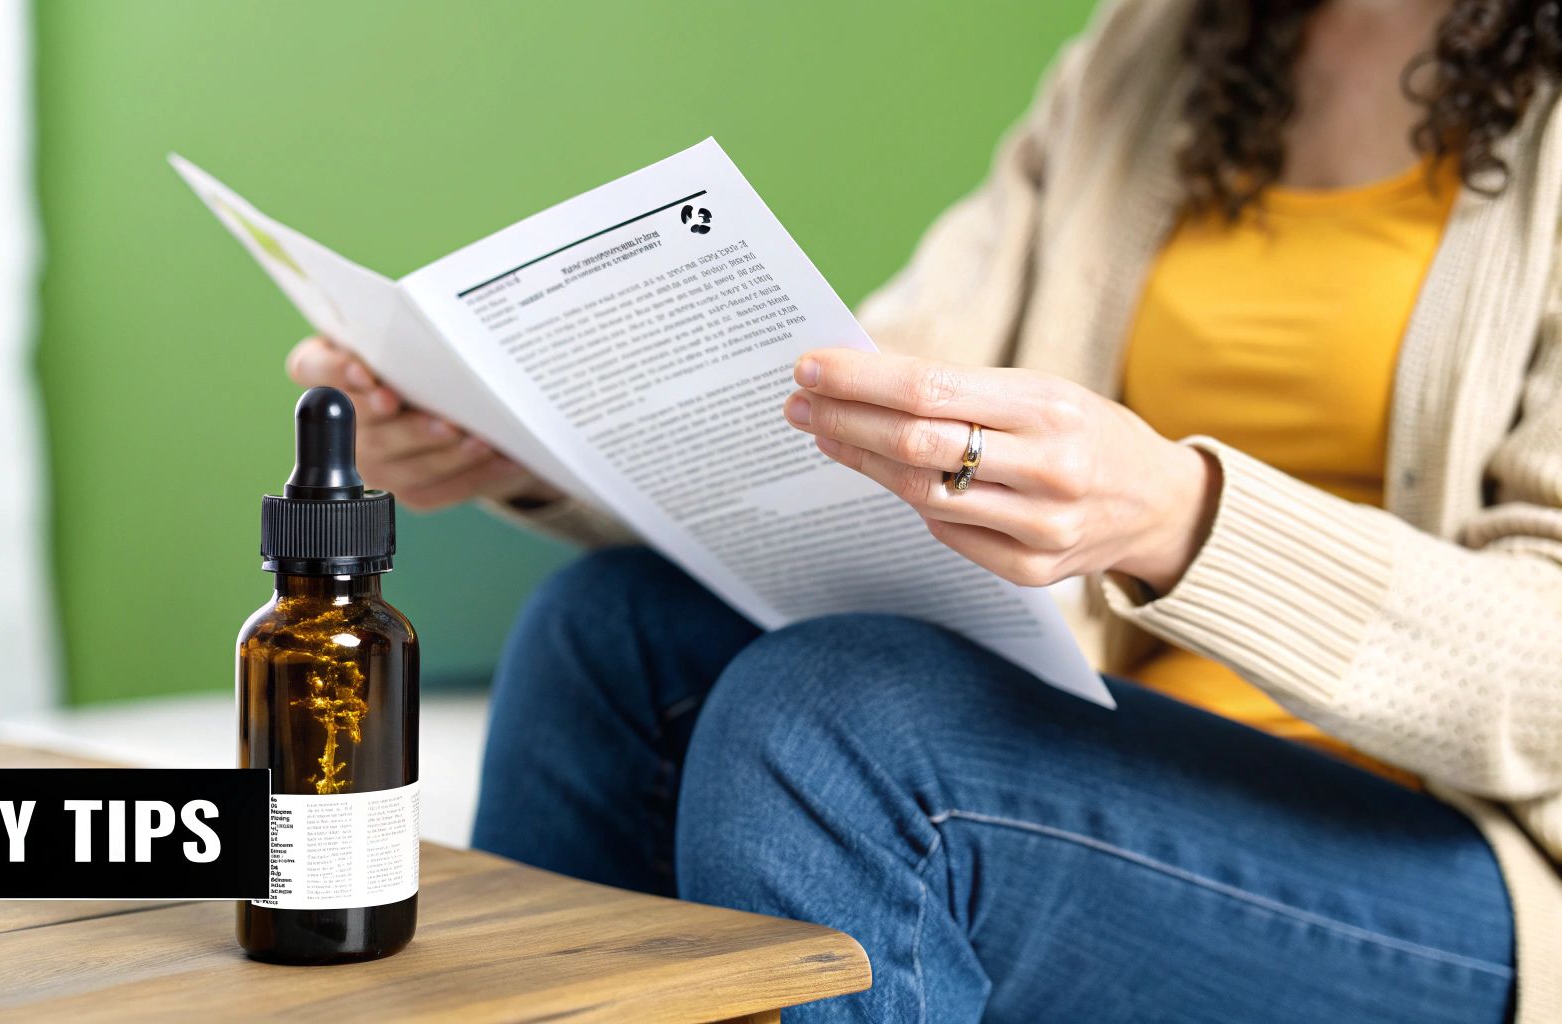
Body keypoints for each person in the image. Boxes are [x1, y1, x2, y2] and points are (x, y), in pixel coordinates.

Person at [287, 0, 1562, 1018]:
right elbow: (892, 377)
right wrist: (520, 445)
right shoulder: (1154, 50)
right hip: (1128, 756)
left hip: (1464, 876)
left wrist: (1181, 516)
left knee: (840, 718)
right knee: (606, 629)